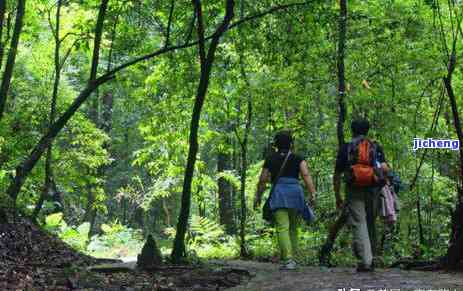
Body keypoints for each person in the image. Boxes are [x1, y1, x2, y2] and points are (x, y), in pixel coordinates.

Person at [254, 130, 317, 270]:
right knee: (293, 227)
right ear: (291, 144)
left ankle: (288, 260)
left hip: (279, 193)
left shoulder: (270, 158)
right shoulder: (298, 157)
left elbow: (263, 179)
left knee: (282, 227)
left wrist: (258, 196)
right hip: (295, 193)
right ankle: (294, 258)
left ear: (275, 144)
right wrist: (313, 193)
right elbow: (305, 175)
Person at [333, 118, 389, 272]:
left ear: (352, 130)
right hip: (373, 188)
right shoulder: (375, 146)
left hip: (353, 188)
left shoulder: (346, 147)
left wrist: (337, 195)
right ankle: (373, 258)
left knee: (359, 222)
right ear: (367, 130)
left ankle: (366, 260)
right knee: (370, 221)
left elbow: (337, 173)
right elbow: (384, 168)